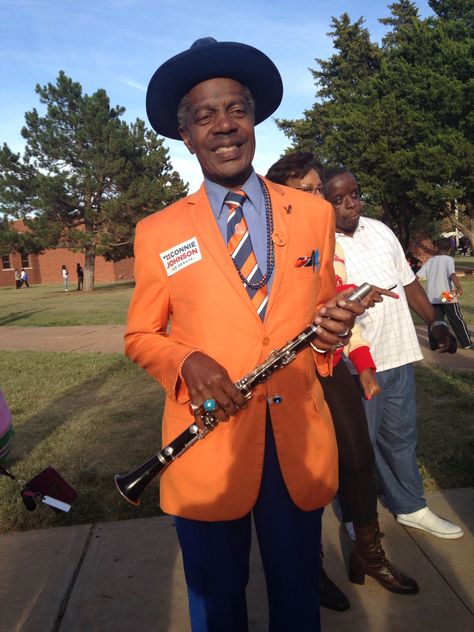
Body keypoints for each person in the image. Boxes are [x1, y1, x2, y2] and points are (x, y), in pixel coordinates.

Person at [125, 38, 375, 632]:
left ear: (255, 117)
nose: (224, 126)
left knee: (297, 597)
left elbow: (319, 318)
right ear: (186, 135)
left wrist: (331, 334)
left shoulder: (311, 214)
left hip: (297, 444)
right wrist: (186, 362)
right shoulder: (158, 231)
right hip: (209, 447)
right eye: (205, 116)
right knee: (216, 602)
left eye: (235, 109)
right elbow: (140, 335)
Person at [266, 152, 418, 609]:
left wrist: (365, 367)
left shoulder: (326, 248)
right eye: (308, 191)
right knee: (305, 468)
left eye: (319, 190)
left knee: (357, 454)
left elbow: (341, 322)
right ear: (282, 195)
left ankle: (367, 553)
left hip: (331, 365)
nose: (319, 199)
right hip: (285, 373)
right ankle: (308, 567)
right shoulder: (267, 245)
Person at [323, 166, 463, 540]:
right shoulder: (321, 243)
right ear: (323, 204)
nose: (351, 204)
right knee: (356, 449)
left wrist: (435, 321)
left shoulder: (380, 230)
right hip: (355, 364)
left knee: (401, 437)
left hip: (398, 352)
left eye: (354, 194)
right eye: (339, 200)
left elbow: (407, 283)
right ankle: (355, 516)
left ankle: (411, 506)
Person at [417, 237, 472, 349]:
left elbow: (417, 276)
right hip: (446, 295)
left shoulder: (430, 261)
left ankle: (435, 344)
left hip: (432, 297)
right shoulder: (448, 259)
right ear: (450, 248)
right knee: (456, 319)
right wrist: (459, 287)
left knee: (434, 321)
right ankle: (466, 343)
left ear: (436, 248)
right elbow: (452, 274)